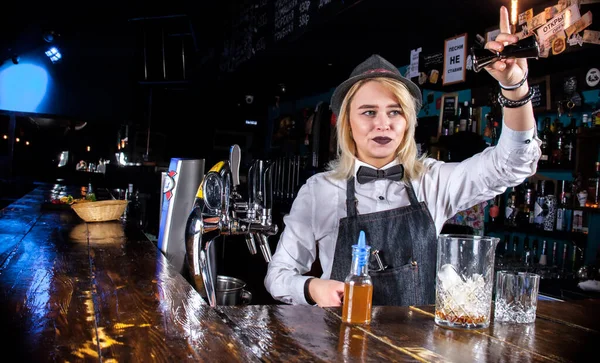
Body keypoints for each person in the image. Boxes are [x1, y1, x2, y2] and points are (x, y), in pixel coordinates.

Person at [264, 6, 541, 307]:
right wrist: (312, 288)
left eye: (394, 112)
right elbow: (277, 276)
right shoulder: (318, 191)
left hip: (421, 351)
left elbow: (512, 164)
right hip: (344, 346)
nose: (383, 124)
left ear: (407, 122)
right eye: (369, 112)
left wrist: (514, 87)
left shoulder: (433, 181)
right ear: (348, 123)